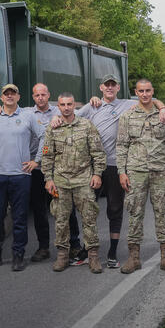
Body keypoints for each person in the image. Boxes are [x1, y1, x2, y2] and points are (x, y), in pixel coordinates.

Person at [71, 74, 165, 268]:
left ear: (118, 88)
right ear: (101, 88)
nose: (109, 88)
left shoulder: (127, 104)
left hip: (117, 165)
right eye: (106, 85)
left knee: (115, 208)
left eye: (113, 85)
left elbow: (151, 98)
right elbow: (71, 117)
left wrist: (163, 107)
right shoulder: (93, 106)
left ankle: (112, 251)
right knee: (87, 207)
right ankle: (87, 248)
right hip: (93, 165)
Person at [116, 79, 165, 275]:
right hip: (136, 171)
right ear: (136, 93)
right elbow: (121, 146)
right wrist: (121, 171)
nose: (145, 94)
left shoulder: (164, 116)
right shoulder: (127, 116)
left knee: (163, 212)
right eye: (141, 91)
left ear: (153, 91)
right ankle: (134, 257)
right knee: (135, 213)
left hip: (161, 171)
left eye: (148, 90)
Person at [40, 92, 106, 273]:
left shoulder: (86, 126)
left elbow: (98, 153)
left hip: (84, 180)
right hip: (61, 182)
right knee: (61, 221)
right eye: (63, 105)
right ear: (58, 107)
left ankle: (93, 256)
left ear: (74, 105)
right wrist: (48, 179)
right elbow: (47, 156)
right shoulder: (52, 128)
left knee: (89, 219)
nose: (67, 108)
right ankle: (63, 255)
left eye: (70, 104)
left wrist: (98, 174)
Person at [0, 83, 44, 272]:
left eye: (13, 93)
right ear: (2, 97)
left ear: (18, 97)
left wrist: (37, 160)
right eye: (6, 93)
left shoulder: (28, 116)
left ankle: (18, 254)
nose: (9, 96)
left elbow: (44, 137)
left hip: (21, 175)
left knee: (19, 218)